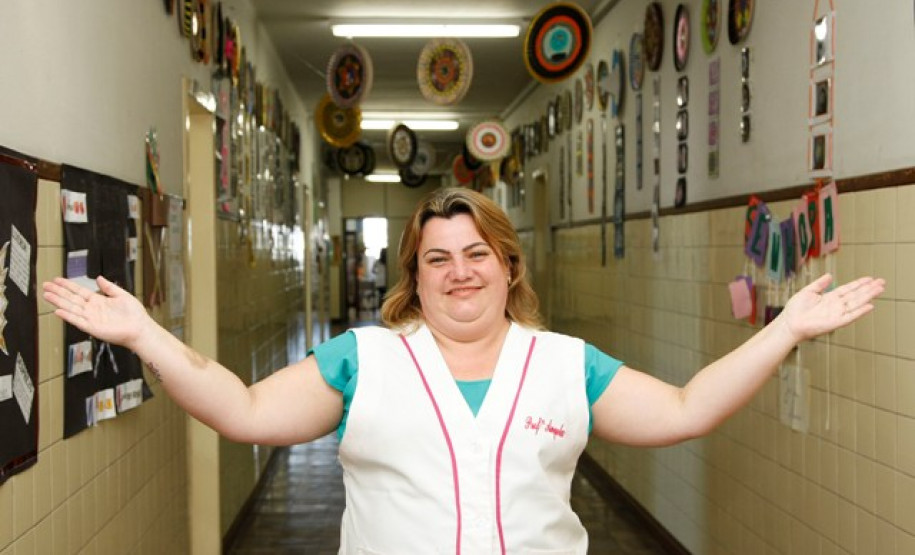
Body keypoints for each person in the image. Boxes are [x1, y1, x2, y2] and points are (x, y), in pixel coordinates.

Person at [42, 187, 884, 554]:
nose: (459, 272)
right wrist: (148, 334)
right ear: (415, 274)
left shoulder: (564, 365)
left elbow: (690, 407)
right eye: (437, 258)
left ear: (508, 266)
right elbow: (242, 410)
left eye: (477, 253)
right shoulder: (365, 358)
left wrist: (788, 330)